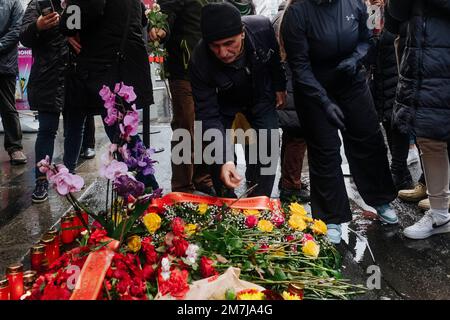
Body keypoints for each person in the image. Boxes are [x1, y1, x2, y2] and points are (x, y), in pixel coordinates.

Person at [281, 0, 398, 244]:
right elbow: (299, 66)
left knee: (368, 137)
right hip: (314, 86)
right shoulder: (297, 13)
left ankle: (380, 199)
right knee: (325, 150)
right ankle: (330, 216)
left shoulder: (355, 4)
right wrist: (324, 101)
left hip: (351, 80)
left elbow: (367, 39)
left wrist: (356, 59)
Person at [59, 0, 158, 190]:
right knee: (125, 133)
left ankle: (149, 192)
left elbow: (84, 12)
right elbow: (143, 21)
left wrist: (65, 27)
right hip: (125, 67)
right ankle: (147, 192)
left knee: (123, 136)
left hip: (109, 71)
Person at [190, 2, 286, 197]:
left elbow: (275, 61)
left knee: (268, 143)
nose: (223, 53)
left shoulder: (262, 28)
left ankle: (261, 202)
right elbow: (208, 114)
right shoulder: (199, 59)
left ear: (242, 32)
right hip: (223, 104)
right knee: (216, 153)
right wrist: (225, 159)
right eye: (215, 46)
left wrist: (279, 85)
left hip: (260, 96)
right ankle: (227, 204)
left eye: (229, 43)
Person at [386, 0, 450, 239]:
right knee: (429, 139)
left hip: (441, 62)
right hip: (423, 65)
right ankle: (440, 213)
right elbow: (396, 15)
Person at [148, 0, 215, 195]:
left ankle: (203, 178)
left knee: (207, 125)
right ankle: (182, 186)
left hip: (210, 69)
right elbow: (165, 15)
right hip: (183, 69)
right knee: (185, 128)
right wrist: (159, 29)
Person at [20, 0, 67, 203]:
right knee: (47, 130)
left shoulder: (79, 3)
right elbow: (24, 36)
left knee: (76, 128)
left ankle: (70, 175)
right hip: (48, 77)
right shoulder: (40, 3)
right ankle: (41, 180)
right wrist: (37, 26)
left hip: (75, 74)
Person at [366, 0, 413, 191]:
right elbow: (370, 39)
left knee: (399, 123)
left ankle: (399, 170)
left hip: (398, 72)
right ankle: (400, 173)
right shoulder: (374, 11)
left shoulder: (397, 8)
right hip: (381, 76)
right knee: (388, 121)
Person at [272, 0, 309, 203]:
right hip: (294, 81)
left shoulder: (281, 16)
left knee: (292, 133)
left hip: (288, 81)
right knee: (298, 134)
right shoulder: (293, 17)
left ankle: (288, 180)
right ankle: (290, 184)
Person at [0, 0, 27, 165]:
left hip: (5, 64)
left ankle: (15, 147)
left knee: (8, 108)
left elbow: (17, 30)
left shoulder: (14, 3)